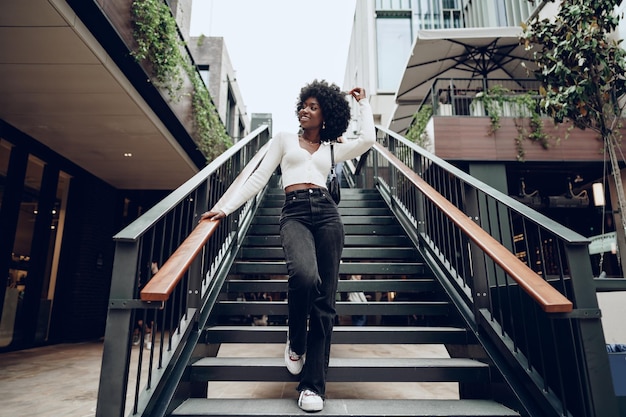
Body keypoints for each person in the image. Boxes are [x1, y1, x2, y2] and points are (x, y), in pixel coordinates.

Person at [200, 79, 375, 412]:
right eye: (303, 105)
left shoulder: (333, 148)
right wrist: (225, 207)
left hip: (327, 215)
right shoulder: (283, 140)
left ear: (325, 115)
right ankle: (296, 340)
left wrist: (363, 104)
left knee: (325, 303)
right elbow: (257, 177)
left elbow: (368, 139)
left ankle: (312, 387)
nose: (304, 110)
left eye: (313, 107)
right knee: (304, 276)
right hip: (294, 212)